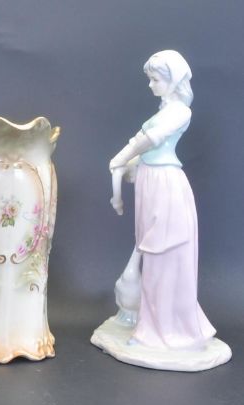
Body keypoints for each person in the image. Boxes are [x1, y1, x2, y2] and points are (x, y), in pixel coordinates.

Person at [108, 50, 216, 349]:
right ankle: (151, 325)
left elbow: (150, 140)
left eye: (155, 79)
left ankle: (162, 330)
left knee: (163, 255)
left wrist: (121, 157)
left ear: (174, 81)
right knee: (150, 251)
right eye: (151, 79)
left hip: (166, 186)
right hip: (150, 182)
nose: (151, 85)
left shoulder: (180, 111)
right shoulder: (164, 110)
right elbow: (141, 145)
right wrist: (125, 164)